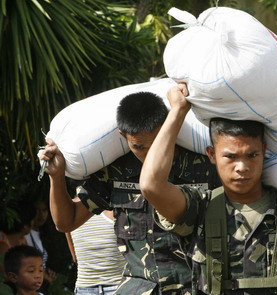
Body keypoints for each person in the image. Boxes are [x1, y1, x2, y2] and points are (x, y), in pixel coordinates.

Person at [139, 83, 277, 294]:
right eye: (230, 156)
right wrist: (178, 111)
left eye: (251, 155)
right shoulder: (200, 206)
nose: (242, 167)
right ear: (211, 154)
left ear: (263, 150)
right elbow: (151, 185)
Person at [39, 91, 221, 294]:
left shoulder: (204, 168)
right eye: (139, 147)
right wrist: (56, 177)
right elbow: (66, 221)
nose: (149, 154)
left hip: (197, 287)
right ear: (123, 137)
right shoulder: (116, 173)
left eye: (157, 143)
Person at [66, 204, 126, 295]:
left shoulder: (70, 209)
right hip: (86, 288)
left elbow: (75, 257)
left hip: (116, 285)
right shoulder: (69, 209)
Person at [24, 199, 57, 292]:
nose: (41, 214)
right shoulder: (24, 234)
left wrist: (47, 273)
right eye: (37, 210)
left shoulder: (43, 234)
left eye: (44, 210)